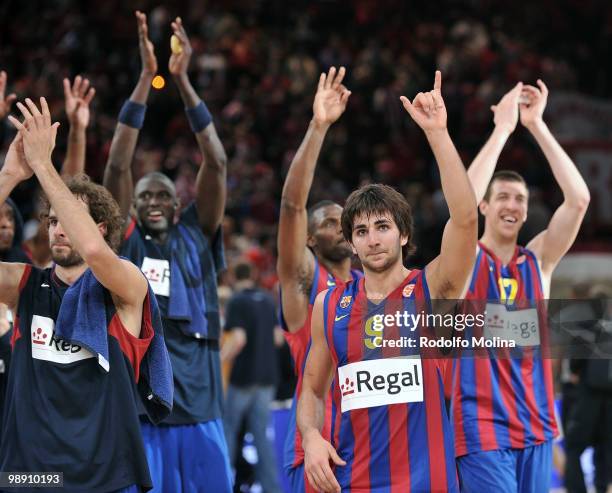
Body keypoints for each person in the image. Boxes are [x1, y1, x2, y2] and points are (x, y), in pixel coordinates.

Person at [298, 71, 477, 493]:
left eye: (382, 226)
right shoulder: (329, 303)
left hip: (427, 482)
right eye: (361, 231)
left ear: (403, 234)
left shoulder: (434, 289)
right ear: (352, 244)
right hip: (352, 480)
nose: (373, 238)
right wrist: (310, 437)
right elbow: (311, 388)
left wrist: (438, 134)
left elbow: (466, 219)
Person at [1, 97, 172, 492]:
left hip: (103, 477)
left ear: (101, 226)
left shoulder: (125, 286)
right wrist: (10, 175)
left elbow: (94, 251)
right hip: (29, 475)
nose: (60, 229)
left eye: (71, 221)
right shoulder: (26, 285)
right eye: (53, 220)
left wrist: (44, 165)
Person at [103, 11, 232, 492]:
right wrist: (143, 80)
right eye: (145, 196)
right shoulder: (126, 238)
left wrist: (181, 82)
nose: (155, 202)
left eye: (164, 196)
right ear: (131, 206)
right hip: (143, 404)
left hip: (199, 402)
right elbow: (118, 161)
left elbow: (216, 160)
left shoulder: (196, 234)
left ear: (179, 205)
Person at [451, 81, 591, 492]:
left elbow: (578, 199)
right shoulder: (466, 259)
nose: (513, 206)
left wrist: (537, 125)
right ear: (485, 207)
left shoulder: (539, 260)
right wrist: (502, 129)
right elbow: (460, 206)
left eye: (520, 199)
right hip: (481, 429)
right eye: (504, 197)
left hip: (537, 426)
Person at [277, 65, 360, 493]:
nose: (339, 226)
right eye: (328, 222)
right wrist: (319, 126)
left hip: (369, 443)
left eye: (343, 219)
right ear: (310, 239)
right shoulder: (306, 281)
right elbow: (292, 205)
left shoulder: (371, 285)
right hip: (316, 444)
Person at [222, 261, 283, 493]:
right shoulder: (267, 299)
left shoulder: (237, 301)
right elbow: (278, 339)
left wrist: (219, 360)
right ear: (254, 275)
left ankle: (223, 485)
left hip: (244, 378)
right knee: (261, 439)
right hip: (268, 378)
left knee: (229, 431)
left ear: (233, 277)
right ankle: (271, 489)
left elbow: (238, 339)